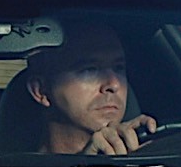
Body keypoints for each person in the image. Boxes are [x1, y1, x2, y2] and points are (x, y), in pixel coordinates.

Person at [24, 21, 157, 155]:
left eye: (119, 68)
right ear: (41, 91)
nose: (114, 84)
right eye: (89, 70)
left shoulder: (151, 166)